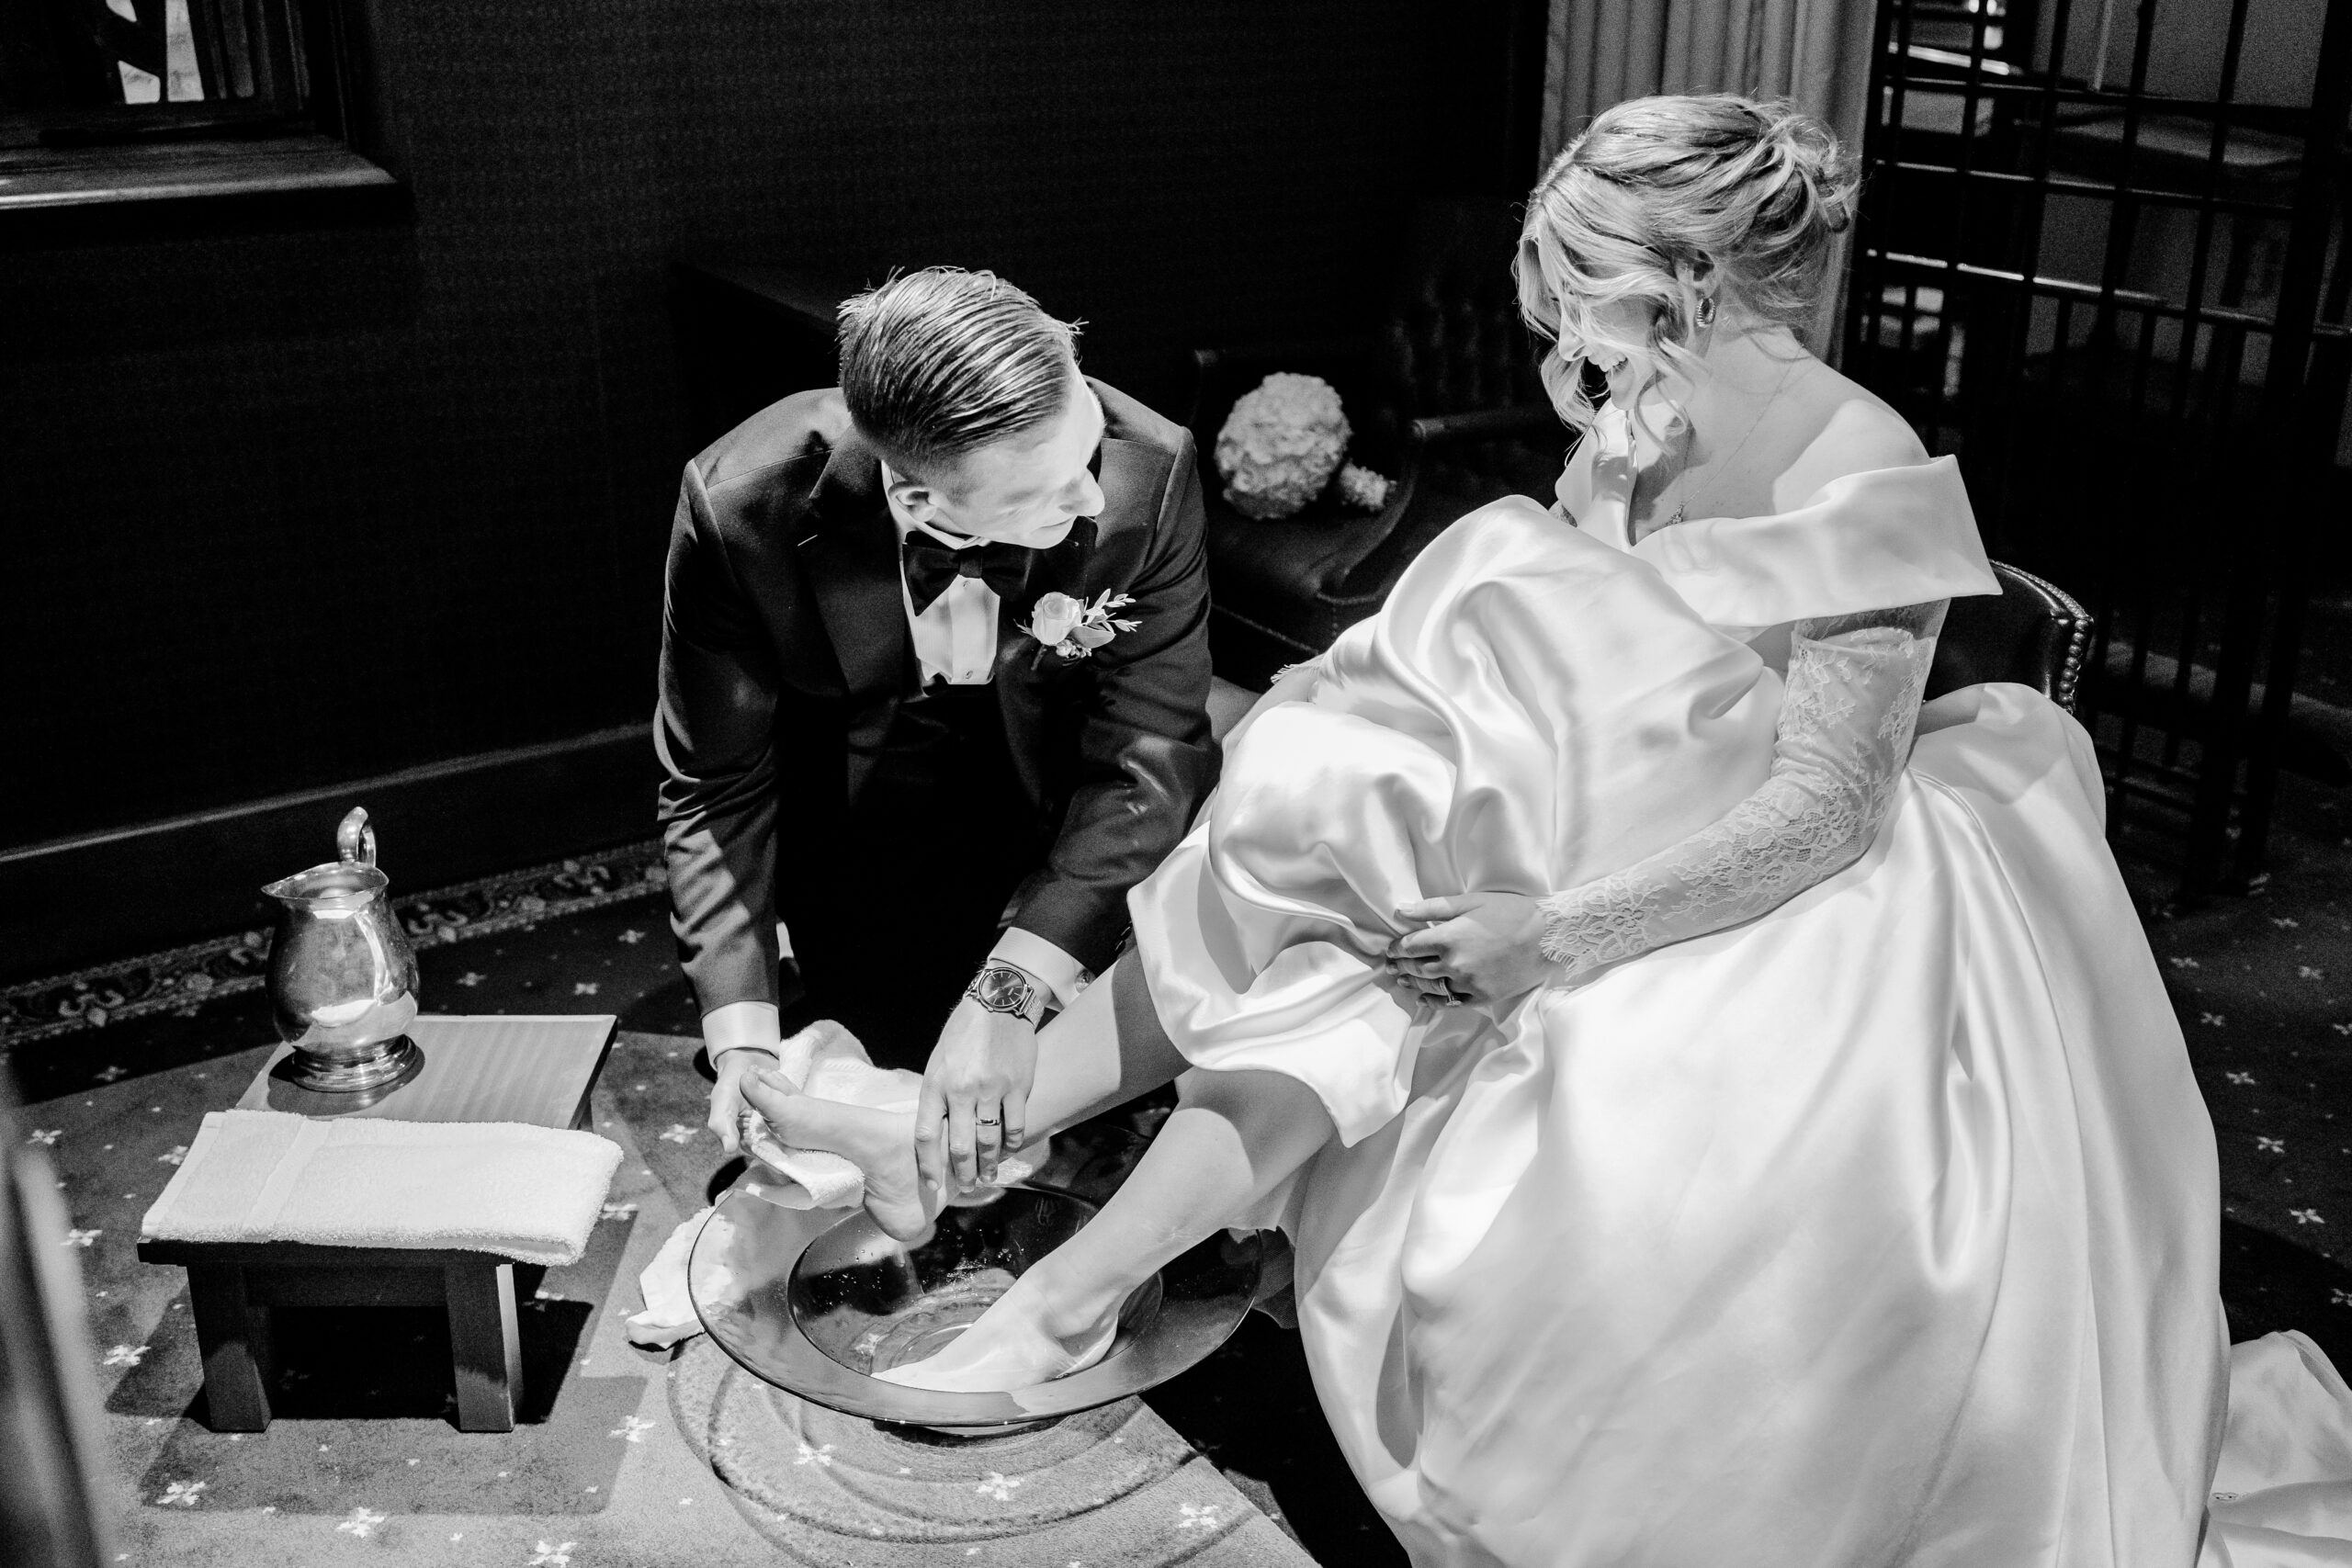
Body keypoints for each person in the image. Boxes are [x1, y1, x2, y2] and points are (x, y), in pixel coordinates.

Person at [743, 100, 2351, 1565]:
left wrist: (1549, 933)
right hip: (1594, 776)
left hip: (1779, 880)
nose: (1555, 323)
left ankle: (1047, 1261)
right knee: (1322, 836)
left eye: (1578, 285)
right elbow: (1588, 624)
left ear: (1687, 282)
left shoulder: (1861, 465)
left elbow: (1826, 810)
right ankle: (1014, 1181)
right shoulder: (1641, 405)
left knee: (1378, 943)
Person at [657, 267, 1218, 1167]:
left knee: (1093, 1102)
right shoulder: (742, 508)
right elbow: (716, 782)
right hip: (854, 827)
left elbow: (1149, 753)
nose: (1091, 497)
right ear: (920, 501)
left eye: (1086, 447)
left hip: (1065, 817)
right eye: (1048, 490)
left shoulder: (1146, 470)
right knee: (882, 1073)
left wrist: (1014, 985)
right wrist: (743, 1035)